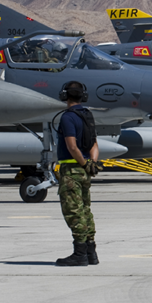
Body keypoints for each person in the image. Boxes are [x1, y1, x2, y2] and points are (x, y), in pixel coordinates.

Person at [55, 81, 100, 267]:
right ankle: (91, 252)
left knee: (73, 211)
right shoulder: (87, 115)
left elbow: (71, 146)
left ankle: (79, 253)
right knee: (85, 209)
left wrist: (82, 162)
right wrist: (91, 163)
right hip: (84, 170)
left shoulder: (68, 117)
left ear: (65, 96)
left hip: (71, 170)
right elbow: (94, 144)